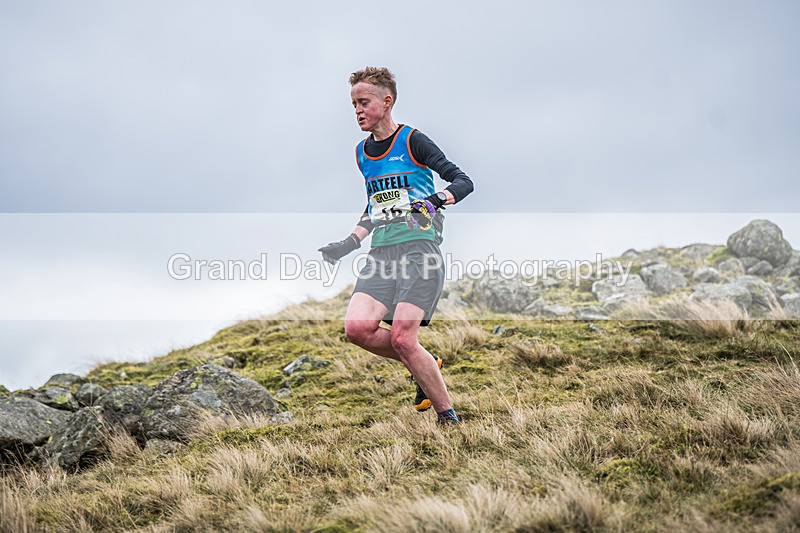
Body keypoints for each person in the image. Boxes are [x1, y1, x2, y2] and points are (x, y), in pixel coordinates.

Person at [318, 67, 474, 425]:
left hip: (419, 251)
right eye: (353, 104)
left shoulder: (413, 141)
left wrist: (434, 201)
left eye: (364, 102)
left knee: (404, 339)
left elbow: (463, 181)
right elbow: (375, 205)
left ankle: (448, 419)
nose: (358, 110)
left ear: (387, 101)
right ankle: (426, 362)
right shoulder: (362, 153)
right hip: (381, 253)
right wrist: (349, 242)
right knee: (357, 329)